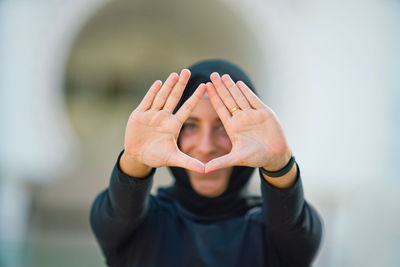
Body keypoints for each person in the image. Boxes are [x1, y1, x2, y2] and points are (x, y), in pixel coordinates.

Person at [90, 59, 322, 267]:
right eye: (190, 125)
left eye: (223, 126)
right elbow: (114, 215)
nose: (206, 146)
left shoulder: (273, 233)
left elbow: (295, 227)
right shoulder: (140, 224)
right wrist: (135, 160)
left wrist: (279, 164)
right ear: (176, 133)